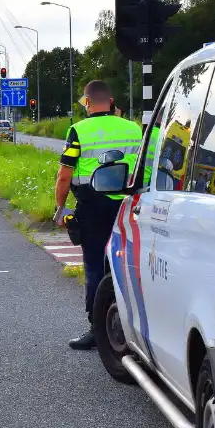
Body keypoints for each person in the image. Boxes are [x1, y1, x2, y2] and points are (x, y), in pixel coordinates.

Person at [54, 81, 143, 350]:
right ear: (112, 101)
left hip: (93, 207)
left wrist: (60, 209)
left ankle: (97, 330)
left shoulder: (79, 131)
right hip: (129, 205)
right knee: (129, 265)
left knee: (94, 267)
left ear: (88, 102)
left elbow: (65, 175)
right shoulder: (134, 129)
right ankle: (134, 327)